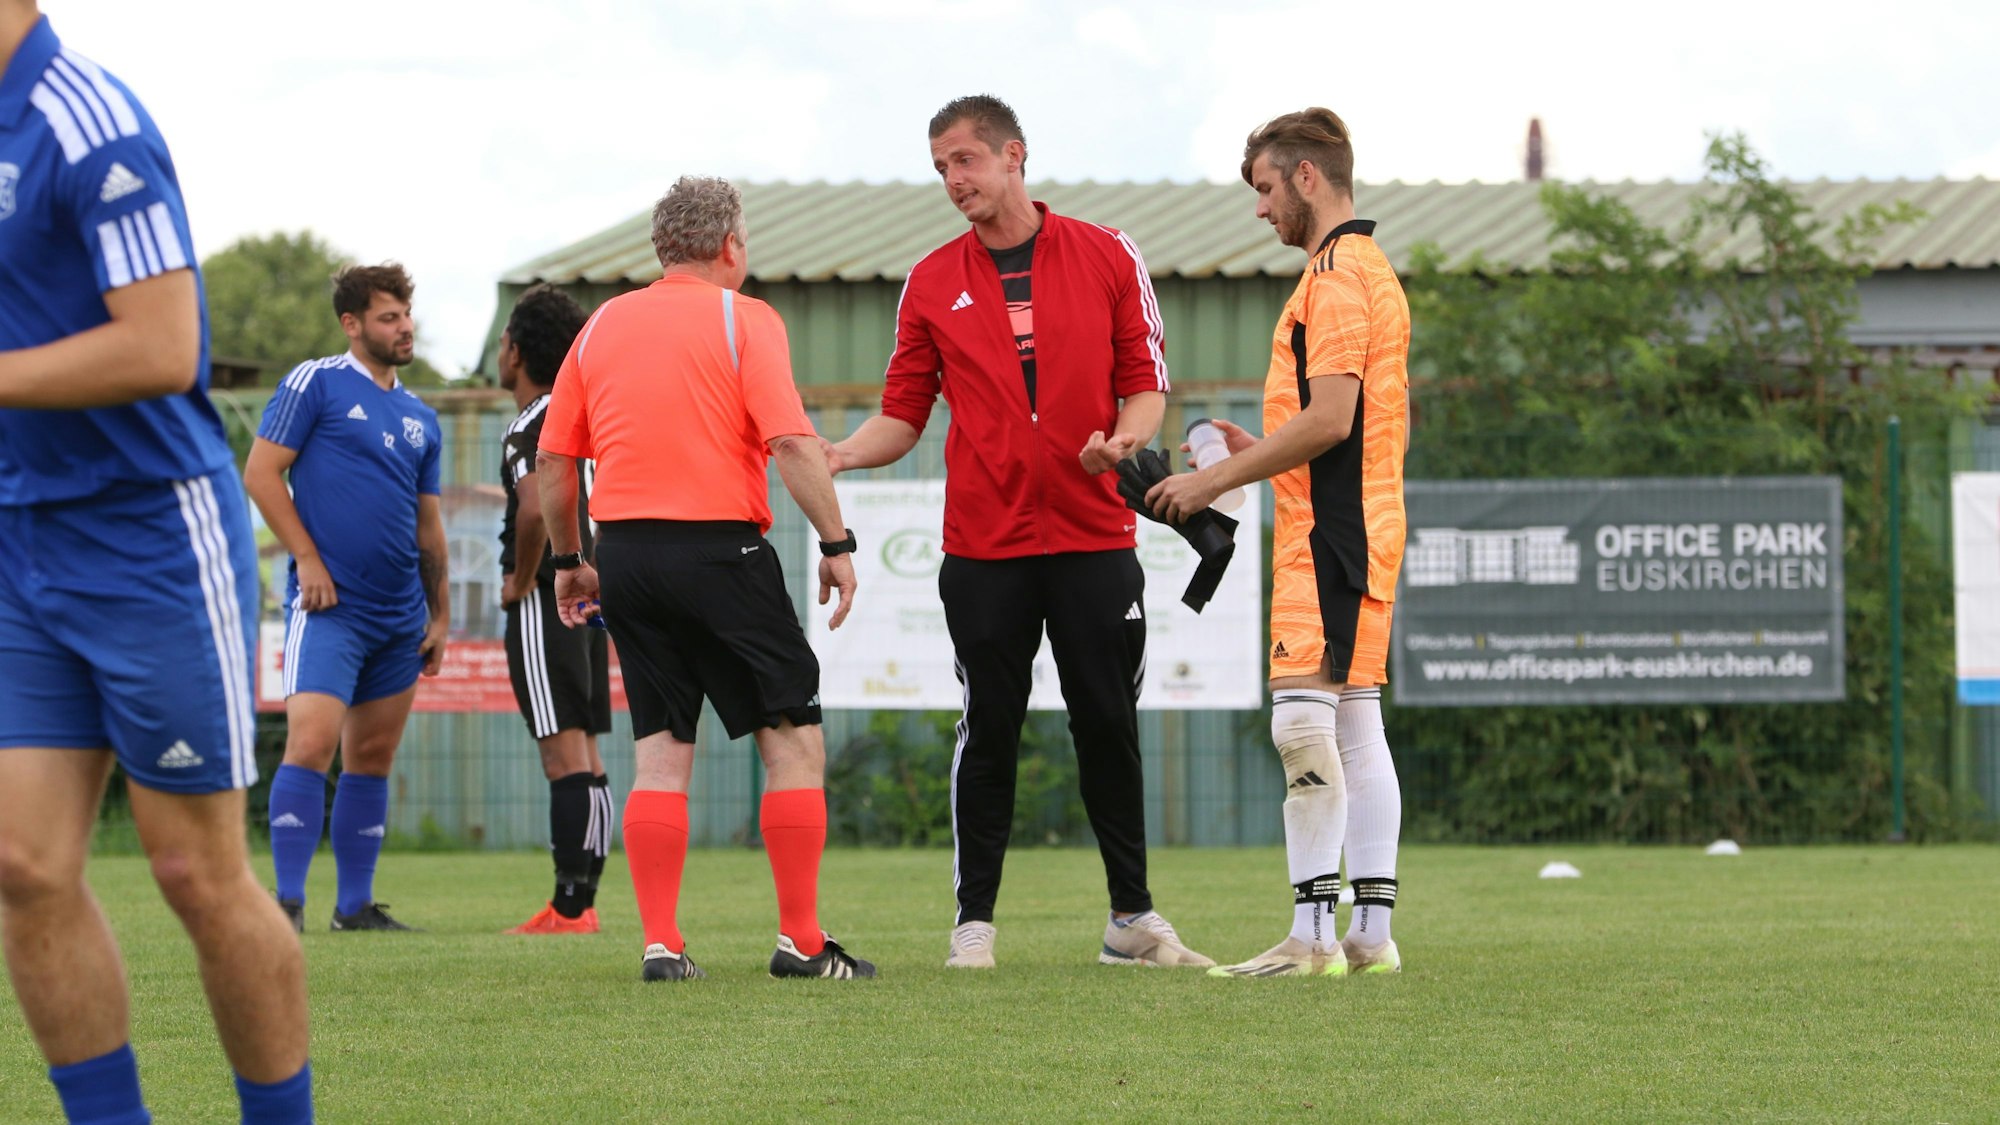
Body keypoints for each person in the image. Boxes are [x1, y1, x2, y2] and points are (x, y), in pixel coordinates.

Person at [0, 5, 313, 1120]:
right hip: (19, 534)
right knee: (23, 863)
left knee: (194, 872)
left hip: (148, 537)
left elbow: (162, 342)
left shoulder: (87, 121)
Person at [828, 94, 1212, 971]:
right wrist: (841, 453)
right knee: (989, 728)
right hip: (983, 547)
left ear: (1014, 155)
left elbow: (1144, 382)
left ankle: (1131, 920)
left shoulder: (1108, 252)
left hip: (1095, 536)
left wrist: (1125, 441)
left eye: (964, 160)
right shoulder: (931, 280)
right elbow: (902, 415)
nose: (953, 180)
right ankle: (974, 926)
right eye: (941, 168)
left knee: (1107, 724)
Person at [537, 175, 874, 982]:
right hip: (721, 552)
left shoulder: (600, 326)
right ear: (731, 246)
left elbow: (554, 461)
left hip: (625, 557)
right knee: (793, 741)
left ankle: (662, 944)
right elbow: (790, 443)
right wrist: (836, 540)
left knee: (661, 753)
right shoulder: (744, 318)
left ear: (663, 248)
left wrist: (569, 561)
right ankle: (801, 941)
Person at [1146, 107, 1408, 978]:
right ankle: (1369, 934)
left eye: (1265, 188)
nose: (1260, 209)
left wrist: (1214, 478)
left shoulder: (1332, 277)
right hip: (1364, 524)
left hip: (1328, 535)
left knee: (1302, 722)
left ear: (1305, 176)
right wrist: (1255, 445)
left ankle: (1312, 937)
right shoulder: (1372, 267)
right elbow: (1347, 419)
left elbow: (1330, 420)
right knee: (1357, 721)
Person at [244, 263, 447, 935]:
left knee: (373, 759)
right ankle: (286, 903)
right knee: (310, 744)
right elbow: (261, 472)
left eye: (406, 314)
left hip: (400, 616)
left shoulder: (421, 417)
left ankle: (354, 906)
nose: (405, 327)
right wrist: (307, 558)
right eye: (389, 317)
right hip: (330, 610)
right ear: (352, 324)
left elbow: (428, 527)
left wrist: (440, 614)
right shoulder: (316, 381)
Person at [495, 283, 614, 935]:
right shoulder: (582, 415)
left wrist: (519, 580)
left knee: (562, 754)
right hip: (591, 598)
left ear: (515, 351)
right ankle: (582, 901)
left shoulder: (530, 423)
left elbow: (535, 508)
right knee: (587, 753)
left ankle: (569, 907)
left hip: (549, 596)